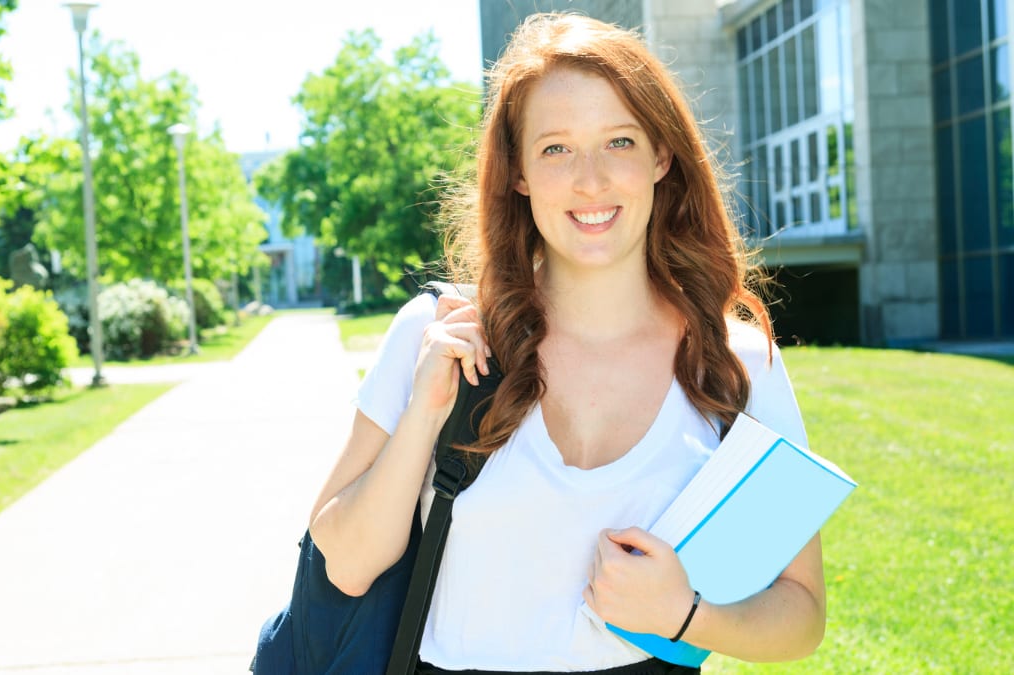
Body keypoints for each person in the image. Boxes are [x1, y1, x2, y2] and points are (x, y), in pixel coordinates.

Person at [308, 13, 825, 674]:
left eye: (619, 141)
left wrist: (687, 613)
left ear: (661, 155)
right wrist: (423, 416)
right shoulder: (438, 332)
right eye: (555, 148)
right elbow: (346, 567)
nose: (590, 180)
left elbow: (802, 611)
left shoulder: (738, 362)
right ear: (518, 172)